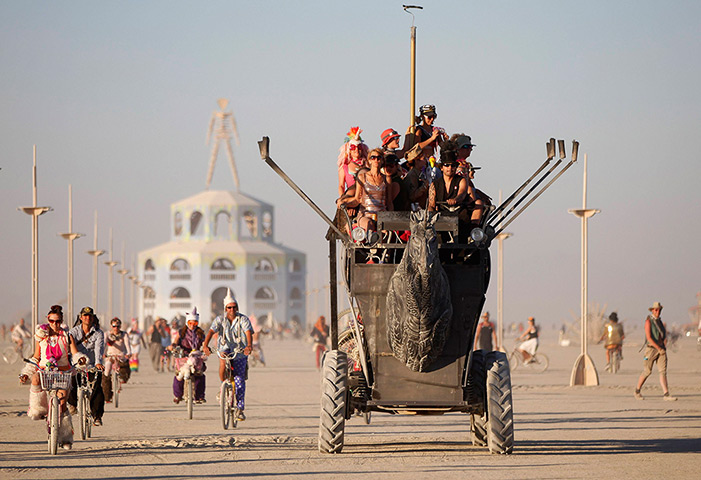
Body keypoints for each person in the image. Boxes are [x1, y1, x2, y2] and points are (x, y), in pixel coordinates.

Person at [19, 305, 75, 450]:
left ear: (61, 321)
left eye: (57, 321)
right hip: (45, 372)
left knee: (62, 404)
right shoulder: (41, 337)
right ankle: (38, 409)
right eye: (52, 321)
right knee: (36, 378)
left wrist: (81, 361)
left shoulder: (66, 336)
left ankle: (66, 438)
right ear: (48, 320)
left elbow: (75, 354)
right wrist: (26, 373)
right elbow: (36, 357)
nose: (54, 324)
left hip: (62, 373)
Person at [202, 289, 253, 421]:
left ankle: (240, 409)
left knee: (239, 381)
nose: (232, 310)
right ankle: (223, 385)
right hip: (224, 348)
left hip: (240, 351)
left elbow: (248, 332)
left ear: (237, 307)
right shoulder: (220, 319)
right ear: (225, 308)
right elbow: (211, 332)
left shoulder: (243, 319)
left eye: (234, 307)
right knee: (223, 362)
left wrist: (248, 346)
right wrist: (205, 345)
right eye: (229, 307)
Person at [67, 306, 106, 426]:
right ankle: (73, 403)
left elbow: (99, 349)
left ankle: (96, 415)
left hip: (92, 364)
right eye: (85, 316)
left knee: (97, 386)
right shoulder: (73, 332)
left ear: (93, 318)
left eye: (89, 316)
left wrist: (98, 362)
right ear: (81, 317)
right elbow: (69, 347)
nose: (87, 318)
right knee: (71, 381)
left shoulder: (98, 333)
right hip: (76, 364)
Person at [635, 302, 677, 401]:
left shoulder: (660, 322)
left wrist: (663, 344)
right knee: (647, 371)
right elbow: (649, 338)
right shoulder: (648, 322)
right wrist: (658, 348)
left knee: (662, 372)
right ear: (652, 310)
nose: (658, 312)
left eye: (659, 310)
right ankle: (637, 390)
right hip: (651, 350)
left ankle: (666, 394)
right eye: (656, 310)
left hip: (661, 349)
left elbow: (663, 334)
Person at [171, 308, 207, 404]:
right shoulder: (181, 332)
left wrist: (205, 349)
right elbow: (175, 342)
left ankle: (199, 396)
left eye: (194, 323)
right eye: (190, 323)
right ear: (187, 322)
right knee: (179, 375)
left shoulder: (200, 333)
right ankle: (178, 395)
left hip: (196, 356)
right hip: (183, 356)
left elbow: (204, 344)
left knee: (200, 375)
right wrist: (173, 346)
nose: (192, 325)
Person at [353, 148, 393, 234]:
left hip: (381, 215)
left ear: (382, 160)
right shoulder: (362, 177)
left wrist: (391, 217)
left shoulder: (386, 179)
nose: (376, 160)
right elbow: (357, 199)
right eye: (373, 157)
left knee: (386, 232)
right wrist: (345, 203)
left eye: (379, 158)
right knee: (369, 225)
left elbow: (389, 202)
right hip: (365, 214)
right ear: (369, 161)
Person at [102, 317, 131, 403]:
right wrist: (102, 353)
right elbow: (103, 344)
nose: (116, 328)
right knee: (107, 370)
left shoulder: (124, 334)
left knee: (124, 366)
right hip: (110, 355)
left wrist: (129, 353)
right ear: (111, 326)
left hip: (120, 355)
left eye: (118, 326)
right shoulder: (107, 334)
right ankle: (107, 395)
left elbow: (127, 344)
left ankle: (122, 379)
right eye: (114, 326)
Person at [337, 126, 369, 198]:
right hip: (351, 196)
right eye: (353, 147)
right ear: (348, 150)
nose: (356, 150)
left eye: (359, 147)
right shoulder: (344, 167)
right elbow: (341, 186)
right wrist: (344, 200)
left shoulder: (368, 164)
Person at [403, 144, 429, 209]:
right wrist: (424, 187)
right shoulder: (412, 176)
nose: (426, 161)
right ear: (417, 160)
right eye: (423, 158)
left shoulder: (421, 173)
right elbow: (412, 196)